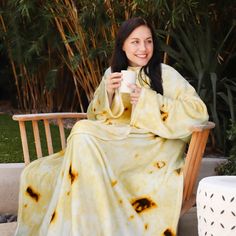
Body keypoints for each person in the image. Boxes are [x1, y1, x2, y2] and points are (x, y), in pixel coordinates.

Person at [15, 17, 208, 236]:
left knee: (82, 131)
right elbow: (94, 116)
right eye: (135, 42)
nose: (143, 48)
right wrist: (107, 93)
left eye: (148, 41)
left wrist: (149, 100)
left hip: (148, 150)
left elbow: (198, 113)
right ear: (123, 45)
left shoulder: (165, 74)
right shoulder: (112, 74)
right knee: (72, 141)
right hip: (113, 144)